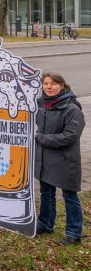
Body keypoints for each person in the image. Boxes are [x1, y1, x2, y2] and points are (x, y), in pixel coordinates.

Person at [35, 72, 85, 245]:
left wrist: (40, 138)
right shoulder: (40, 104)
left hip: (65, 160)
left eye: (53, 84)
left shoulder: (72, 109)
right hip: (45, 159)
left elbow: (70, 136)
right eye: (46, 83)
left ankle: (74, 233)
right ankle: (45, 224)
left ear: (62, 85)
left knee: (70, 196)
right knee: (46, 193)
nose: (49, 87)